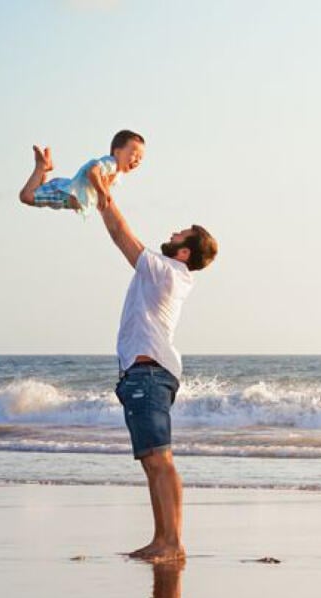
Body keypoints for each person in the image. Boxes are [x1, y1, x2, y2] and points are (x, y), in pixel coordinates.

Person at [97, 190, 218, 563]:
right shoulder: (167, 273)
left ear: (184, 252)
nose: (173, 233)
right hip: (144, 374)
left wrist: (103, 194)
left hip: (148, 374)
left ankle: (172, 542)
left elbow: (121, 236)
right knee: (152, 461)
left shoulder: (166, 270)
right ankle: (161, 539)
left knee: (161, 460)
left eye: (181, 234)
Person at [18, 129, 145, 215]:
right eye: (134, 155)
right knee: (27, 197)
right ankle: (41, 167)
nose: (137, 161)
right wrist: (101, 192)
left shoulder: (117, 173)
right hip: (64, 193)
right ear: (117, 152)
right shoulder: (111, 163)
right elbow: (92, 172)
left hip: (66, 195)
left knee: (37, 194)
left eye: (140, 158)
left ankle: (44, 169)